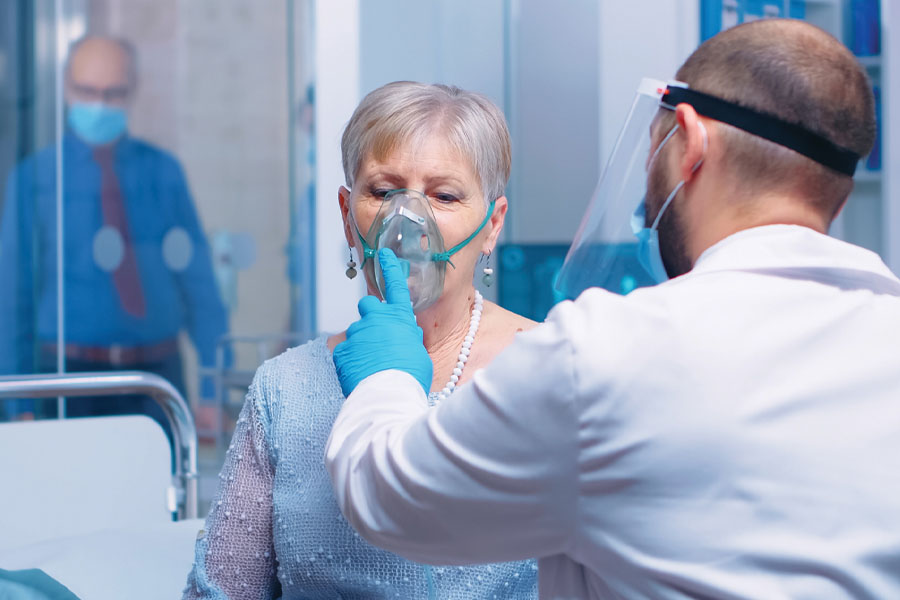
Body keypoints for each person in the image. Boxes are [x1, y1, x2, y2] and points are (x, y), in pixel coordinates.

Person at [326, 20, 900, 599]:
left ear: (690, 141)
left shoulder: (607, 352)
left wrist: (386, 376)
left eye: (445, 194)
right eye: (384, 190)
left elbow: (391, 499)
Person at [182, 81, 538, 599]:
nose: (408, 222)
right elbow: (221, 591)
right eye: (384, 192)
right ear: (349, 217)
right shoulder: (284, 390)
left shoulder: (549, 370)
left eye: (443, 196)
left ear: (492, 225)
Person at [0, 35, 227, 431]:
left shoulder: (163, 172)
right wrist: (19, 400)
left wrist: (213, 387)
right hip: (66, 376)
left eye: (113, 93)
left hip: (156, 377)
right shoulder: (35, 178)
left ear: (132, 91)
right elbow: (13, 298)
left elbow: (200, 287)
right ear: (66, 88)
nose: (100, 104)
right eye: (87, 91)